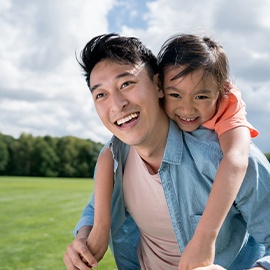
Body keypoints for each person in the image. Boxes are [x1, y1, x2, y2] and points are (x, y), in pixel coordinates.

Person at [64, 33, 270, 270]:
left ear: (158, 84)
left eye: (127, 84)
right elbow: (97, 206)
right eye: (101, 94)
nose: (116, 104)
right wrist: (83, 236)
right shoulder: (114, 157)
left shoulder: (225, 157)